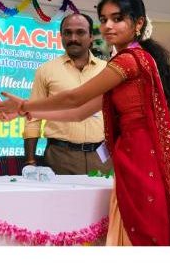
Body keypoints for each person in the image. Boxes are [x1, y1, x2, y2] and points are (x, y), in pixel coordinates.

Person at [0, 0, 170, 246]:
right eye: (104, 19)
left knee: (143, 230)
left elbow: (74, 98)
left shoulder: (128, 61)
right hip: (133, 153)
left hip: (141, 154)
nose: (108, 26)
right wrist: (26, 112)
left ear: (138, 23)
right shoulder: (130, 60)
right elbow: (80, 113)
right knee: (135, 225)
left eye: (117, 18)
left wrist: (24, 104)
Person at [22, 12, 111, 175]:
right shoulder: (46, 70)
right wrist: (30, 162)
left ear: (91, 37)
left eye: (80, 32)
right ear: (61, 36)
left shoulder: (108, 70)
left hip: (102, 157)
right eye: (67, 33)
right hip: (60, 157)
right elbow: (33, 118)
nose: (73, 38)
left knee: (104, 194)